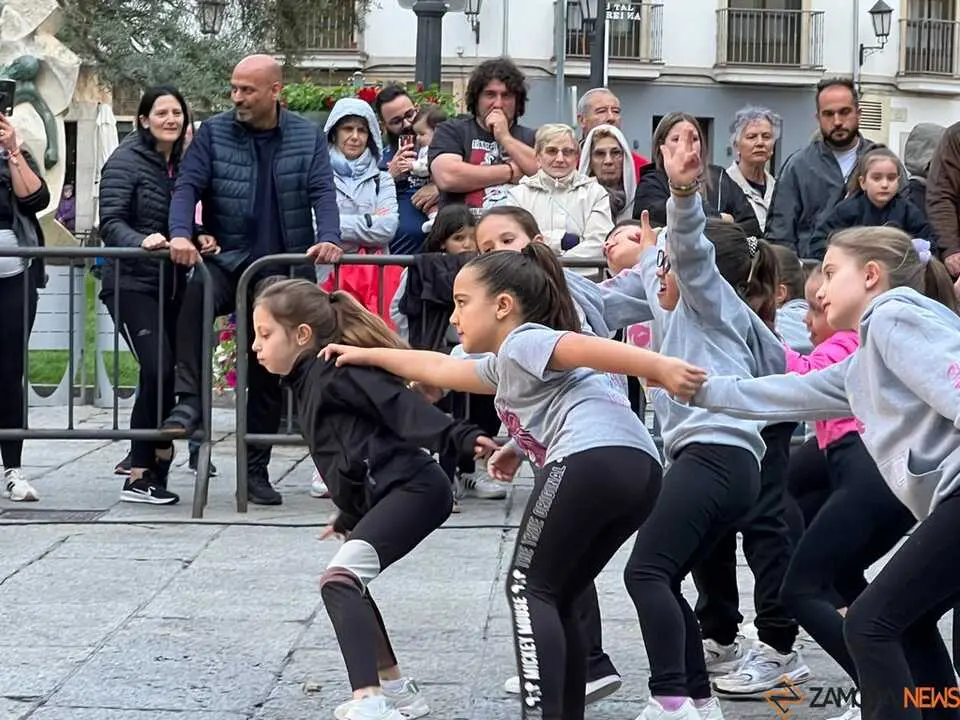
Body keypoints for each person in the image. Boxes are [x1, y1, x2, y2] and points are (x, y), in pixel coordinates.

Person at [323, 243, 705, 720]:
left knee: (528, 588)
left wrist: (657, 367)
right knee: (559, 590)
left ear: (502, 305)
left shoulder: (526, 340)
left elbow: (576, 345)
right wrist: (365, 353)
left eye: (463, 302)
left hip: (589, 461)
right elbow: (441, 368)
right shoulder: (507, 362)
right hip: (637, 471)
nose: (454, 315)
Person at [690, 227, 960, 720]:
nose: (819, 288)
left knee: (869, 625)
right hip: (947, 504)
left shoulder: (893, 314)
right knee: (906, 623)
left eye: (832, 273)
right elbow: (781, 393)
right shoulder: (864, 362)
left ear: (872, 276)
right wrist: (696, 390)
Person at [603, 127, 793, 720]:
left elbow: (689, 252)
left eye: (665, 267)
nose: (656, 276)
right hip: (723, 465)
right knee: (666, 576)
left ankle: (670, 700)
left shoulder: (708, 302)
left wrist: (684, 193)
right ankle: (699, 700)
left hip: (713, 456)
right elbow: (601, 299)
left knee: (646, 572)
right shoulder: (714, 317)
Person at [253, 278, 491, 720]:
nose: (255, 346)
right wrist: (347, 514)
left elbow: (399, 407)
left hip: (417, 489)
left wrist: (461, 436)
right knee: (347, 581)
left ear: (302, 335)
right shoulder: (308, 381)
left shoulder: (335, 372)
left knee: (339, 580)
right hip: (396, 490)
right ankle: (400, 692)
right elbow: (354, 452)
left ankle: (370, 700)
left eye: (265, 335)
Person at [160, 54, 342, 505]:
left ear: (275, 91)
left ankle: (256, 471)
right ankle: (188, 399)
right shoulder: (214, 133)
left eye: (247, 89)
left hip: (281, 270)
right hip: (228, 260)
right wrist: (181, 234)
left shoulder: (306, 134)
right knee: (197, 292)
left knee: (266, 369)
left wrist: (331, 237)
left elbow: (322, 189)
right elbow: (188, 187)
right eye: (234, 88)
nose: (237, 97)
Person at [98, 85, 193, 505]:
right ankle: (141, 471)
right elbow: (110, 221)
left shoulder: (185, 164)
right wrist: (143, 240)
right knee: (157, 368)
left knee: (166, 372)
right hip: (132, 283)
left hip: (174, 285)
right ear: (142, 120)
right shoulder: (124, 160)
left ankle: (153, 461)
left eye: (177, 112)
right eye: (161, 113)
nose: (170, 119)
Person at [765, 78, 881, 260]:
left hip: (872, 274)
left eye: (844, 112)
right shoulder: (798, 166)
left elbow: (903, 225)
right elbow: (780, 235)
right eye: (828, 114)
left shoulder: (881, 161)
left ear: (859, 113)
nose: (837, 121)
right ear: (818, 118)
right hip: (813, 276)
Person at [0, 111, 49, 502]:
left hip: (14, 277)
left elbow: (36, 199)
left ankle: (13, 470)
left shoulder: (12, 153)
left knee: (9, 371)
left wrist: (13, 150)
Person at [428, 57, 537, 215]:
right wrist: (511, 171)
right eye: (490, 94)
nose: (498, 104)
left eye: (506, 96)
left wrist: (505, 138)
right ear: (477, 98)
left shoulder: (532, 137)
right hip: (461, 230)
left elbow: (544, 173)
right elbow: (448, 176)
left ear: (517, 101)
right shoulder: (452, 130)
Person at [506, 123, 611, 279]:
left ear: (576, 157)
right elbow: (517, 243)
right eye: (551, 151)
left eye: (568, 152)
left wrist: (554, 266)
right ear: (538, 156)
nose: (560, 159)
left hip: (585, 282)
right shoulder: (518, 195)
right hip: (533, 281)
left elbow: (599, 243)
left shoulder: (595, 193)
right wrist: (562, 241)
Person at [633, 113, 761, 237]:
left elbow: (751, 227)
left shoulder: (719, 177)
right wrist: (722, 219)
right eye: (676, 139)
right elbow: (667, 219)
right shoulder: (651, 183)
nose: (686, 145)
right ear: (661, 146)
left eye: (694, 139)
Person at [810, 147, 934, 255]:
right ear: (862, 182)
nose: (885, 184)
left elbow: (929, 243)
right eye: (877, 178)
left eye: (891, 178)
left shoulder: (908, 211)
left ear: (898, 181)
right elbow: (818, 242)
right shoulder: (847, 209)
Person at [324, 98, 398, 252]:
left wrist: (333, 225)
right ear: (334, 133)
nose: (355, 137)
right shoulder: (318, 177)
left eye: (362, 130)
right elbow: (314, 225)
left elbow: (387, 229)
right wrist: (370, 221)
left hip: (374, 273)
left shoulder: (383, 180)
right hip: (327, 273)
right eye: (348, 128)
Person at [374, 84, 438, 255]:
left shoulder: (443, 145)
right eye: (396, 121)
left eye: (410, 114)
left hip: (442, 254)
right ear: (383, 125)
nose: (407, 124)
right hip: (398, 259)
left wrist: (440, 186)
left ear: (417, 108)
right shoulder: (378, 160)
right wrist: (390, 177)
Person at [724, 107, 780, 232]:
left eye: (766, 136)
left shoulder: (779, 188)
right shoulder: (724, 189)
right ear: (736, 145)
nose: (760, 143)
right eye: (751, 137)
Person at [575, 87, 650, 179]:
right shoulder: (567, 164)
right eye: (601, 111)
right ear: (582, 120)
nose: (611, 117)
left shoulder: (640, 167)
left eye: (616, 111)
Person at [579, 124, 636, 223]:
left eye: (615, 153)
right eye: (600, 154)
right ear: (590, 161)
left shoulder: (642, 203)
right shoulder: (577, 203)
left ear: (625, 158)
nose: (608, 161)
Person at [409, 104, 446, 234]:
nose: (418, 138)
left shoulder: (436, 148)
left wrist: (412, 166)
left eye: (422, 134)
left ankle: (436, 219)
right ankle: (433, 218)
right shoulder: (425, 148)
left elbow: (427, 165)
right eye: (416, 134)